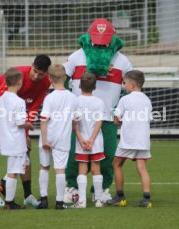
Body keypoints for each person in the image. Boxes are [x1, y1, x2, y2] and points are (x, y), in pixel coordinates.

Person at [63, 18, 133, 203]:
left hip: (108, 116)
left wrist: (124, 110)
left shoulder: (123, 61)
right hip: (78, 118)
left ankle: (100, 190)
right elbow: (62, 79)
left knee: (108, 155)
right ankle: (72, 188)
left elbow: (131, 88)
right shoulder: (77, 56)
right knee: (74, 154)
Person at [0, 54, 51, 207]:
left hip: (17, 113)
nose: (36, 76)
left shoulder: (45, 82)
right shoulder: (17, 75)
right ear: (31, 65)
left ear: (46, 73)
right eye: (35, 71)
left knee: (24, 150)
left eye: (41, 74)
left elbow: (34, 106)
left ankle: (27, 194)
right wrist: (13, 123)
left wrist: (24, 134)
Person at [107, 70, 152, 208]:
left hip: (128, 140)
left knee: (116, 164)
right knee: (142, 167)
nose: (123, 85)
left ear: (132, 84)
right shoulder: (147, 100)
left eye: (124, 82)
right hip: (143, 140)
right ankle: (147, 199)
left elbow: (116, 120)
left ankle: (120, 197)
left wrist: (120, 120)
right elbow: (148, 119)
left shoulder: (125, 99)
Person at [36, 64, 77, 210]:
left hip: (47, 137)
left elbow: (44, 119)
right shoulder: (73, 98)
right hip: (63, 139)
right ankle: (59, 202)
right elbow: (76, 118)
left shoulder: (49, 98)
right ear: (65, 78)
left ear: (49, 78)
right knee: (60, 170)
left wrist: (45, 140)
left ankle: (44, 200)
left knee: (44, 167)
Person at [0, 68, 29, 210]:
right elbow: (20, 123)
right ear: (20, 82)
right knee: (14, 171)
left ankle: (3, 183)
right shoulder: (19, 101)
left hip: (6, 140)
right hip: (16, 141)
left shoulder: (1, 99)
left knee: (23, 164)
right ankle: (9, 202)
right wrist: (30, 126)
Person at [71, 73, 105, 209]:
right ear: (95, 86)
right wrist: (91, 139)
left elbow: (75, 123)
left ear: (79, 86)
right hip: (95, 141)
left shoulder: (75, 101)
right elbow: (99, 122)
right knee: (96, 168)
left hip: (81, 142)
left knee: (82, 169)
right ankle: (98, 200)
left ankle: (82, 201)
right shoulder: (99, 102)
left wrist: (81, 139)